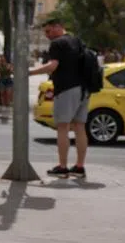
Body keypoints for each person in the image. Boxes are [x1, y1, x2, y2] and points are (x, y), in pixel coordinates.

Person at [28, 19, 88, 179]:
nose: (47, 36)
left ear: (58, 27)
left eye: (48, 31)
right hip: (84, 89)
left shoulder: (58, 44)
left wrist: (30, 73)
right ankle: (80, 167)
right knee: (80, 127)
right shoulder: (77, 41)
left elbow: (52, 66)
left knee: (63, 127)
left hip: (67, 89)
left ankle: (62, 167)